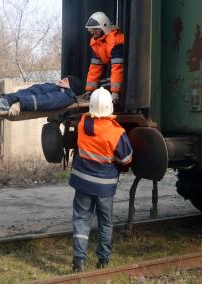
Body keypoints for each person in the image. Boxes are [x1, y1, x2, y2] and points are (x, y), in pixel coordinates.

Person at [69, 87, 132, 272]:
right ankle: (103, 260)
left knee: (81, 219)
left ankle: (79, 260)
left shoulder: (82, 124)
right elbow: (127, 159)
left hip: (82, 182)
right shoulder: (116, 132)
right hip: (104, 187)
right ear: (109, 107)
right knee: (105, 222)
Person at [0, 76, 84, 116]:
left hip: (12, 103)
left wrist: (20, 104)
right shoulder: (57, 88)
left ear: (70, 86)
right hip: (11, 99)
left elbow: (45, 101)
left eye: (65, 80)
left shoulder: (65, 96)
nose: (61, 80)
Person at [84, 12, 125, 104]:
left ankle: (114, 93)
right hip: (110, 69)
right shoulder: (96, 43)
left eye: (96, 29)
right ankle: (105, 92)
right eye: (92, 29)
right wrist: (90, 90)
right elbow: (94, 68)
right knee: (102, 72)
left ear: (104, 27)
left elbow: (117, 67)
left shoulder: (115, 41)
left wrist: (115, 92)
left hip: (122, 71)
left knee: (111, 69)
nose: (94, 32)